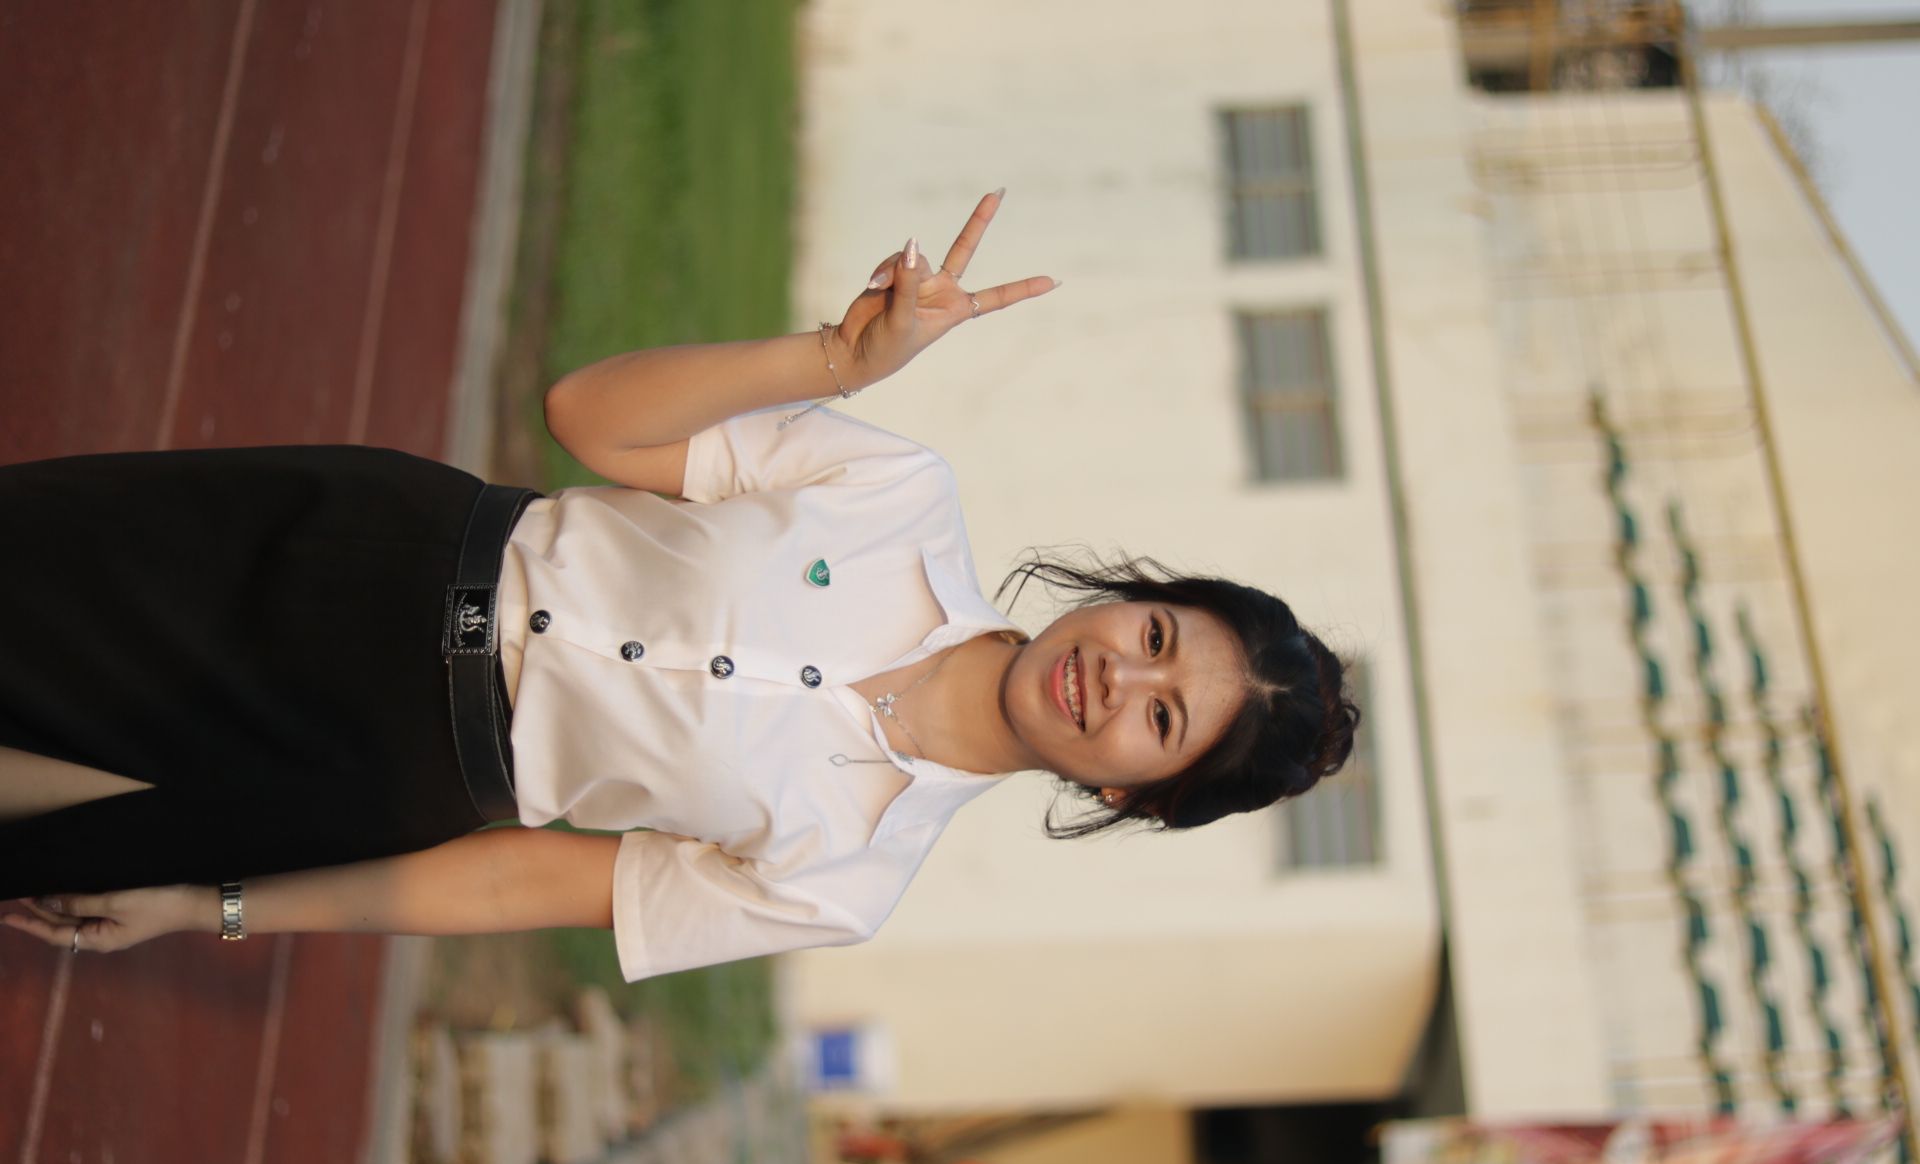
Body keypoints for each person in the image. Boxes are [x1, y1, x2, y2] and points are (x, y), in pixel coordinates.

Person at [0, 192, 1358, 979]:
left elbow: (513, 887)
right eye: (1158, 633)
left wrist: (215, 905)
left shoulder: (850, 884)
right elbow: (588, 418)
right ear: (1128, 594)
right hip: (371, 551)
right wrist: (838, 361)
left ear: (1130, 794)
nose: (1119, 674)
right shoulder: (899, 495)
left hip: (376, 767)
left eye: (1162, 717)